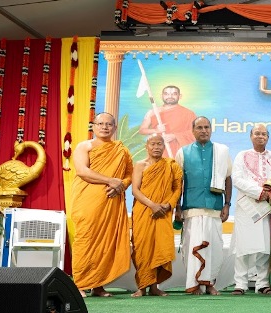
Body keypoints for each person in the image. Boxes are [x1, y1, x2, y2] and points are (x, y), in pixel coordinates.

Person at [70, 112, 132, 298]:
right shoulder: (84, 146)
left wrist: (120, 187)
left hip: (111, 202)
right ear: (94, 126)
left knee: (106, 243)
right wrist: (111, 180)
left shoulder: (121, 150)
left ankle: (98, 286)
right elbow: (82, 171)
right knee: (85, 240)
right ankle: (80, 283)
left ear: (114, 127)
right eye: (100, 123)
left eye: (109, 124)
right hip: (87, 201)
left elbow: (129, 175)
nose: (104, 127)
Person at [174, 116, 232, 295]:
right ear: (193, 131)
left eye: (207, 127)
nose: (203, 130)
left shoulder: (221, 151)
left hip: (214, 207)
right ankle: (193, 284)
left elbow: (228, 178)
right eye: (199, 127)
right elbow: (178, 182)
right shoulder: (183, 153)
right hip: (192, 208)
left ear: (211, 129)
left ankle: (209, 283)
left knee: (214, 248)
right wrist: (177, 207)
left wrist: (227, 204)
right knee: (193, 246)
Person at [229, 124, 271, 296]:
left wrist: (268, 193)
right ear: (250, 136)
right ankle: (240, 283)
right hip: (246, 206)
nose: (260, 136)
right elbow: (237, 179)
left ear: (268, 137)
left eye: (264, 134)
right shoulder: (242, 155)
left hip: (267, 206)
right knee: (242, 246)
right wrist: (258, 191)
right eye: (257, 133)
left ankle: (262, 283)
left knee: (264, 246)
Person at [130, 134, 183, 297]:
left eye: (159, 144)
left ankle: (154, 287)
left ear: (163, 146)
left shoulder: (171, 165)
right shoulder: (140, 165)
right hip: (144, 211)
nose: (156, 147)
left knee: (160, 248)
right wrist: (152, 205)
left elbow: (177, 188)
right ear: (147, 146)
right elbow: (135, 190)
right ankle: (142, 286)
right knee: (143, 248)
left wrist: (168, 205)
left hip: (164, 212)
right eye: (153, 144)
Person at [138, 85, 197, 158]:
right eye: (166, 94)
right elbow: (142, 130)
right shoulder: (153, 112)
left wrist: (175, 136)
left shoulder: (188, 113)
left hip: (179, 153)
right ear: (161, 96)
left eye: (174, 94)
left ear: (180, 96)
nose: (170, 96)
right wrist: (156, 130)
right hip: (158, 151)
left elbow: (195, 133)